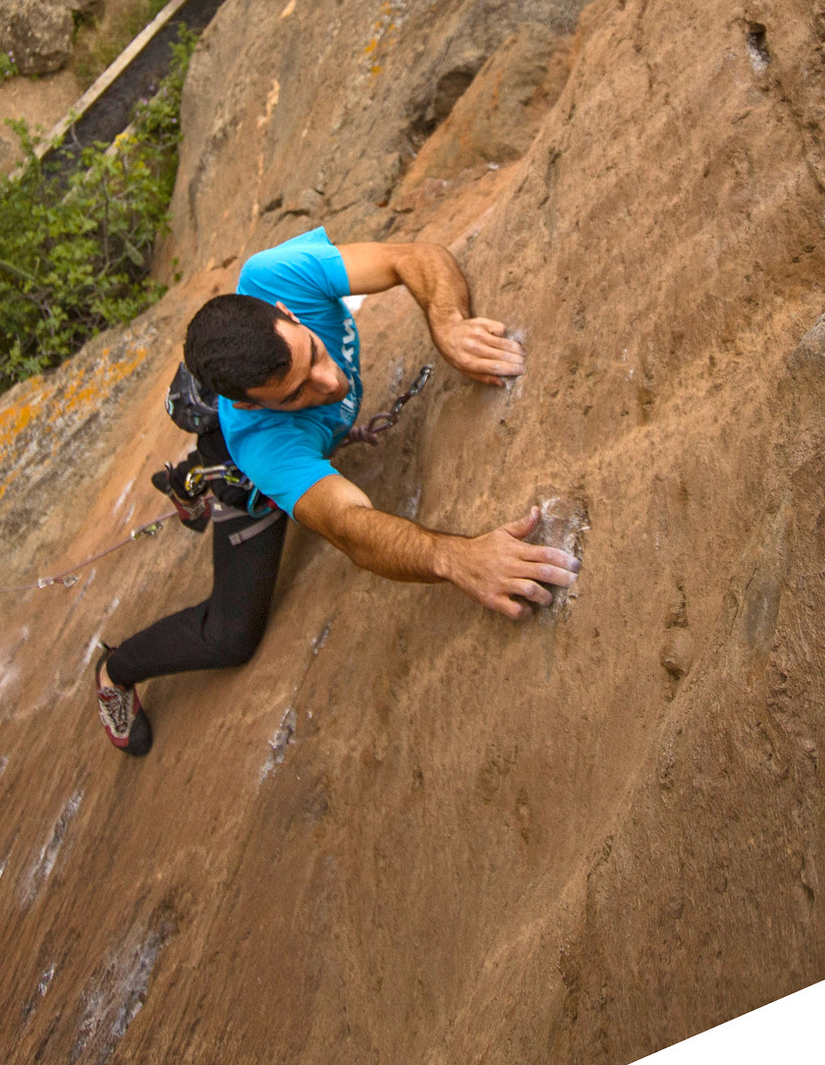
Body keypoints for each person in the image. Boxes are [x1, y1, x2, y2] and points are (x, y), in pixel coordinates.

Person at [96, 227, 580, 756]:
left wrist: (448, 324)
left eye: (314, 353)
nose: (329, 382)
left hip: (270, 420)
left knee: (300, 425)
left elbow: (412, 257)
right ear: (254, 405)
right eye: (296, 393)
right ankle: (115, 670)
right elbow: (351, 528)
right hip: (244, 470)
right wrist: (454, 557)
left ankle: (183, 482)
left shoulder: (277, 275)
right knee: (231, 637)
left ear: (287, 313)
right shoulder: (263, 445)